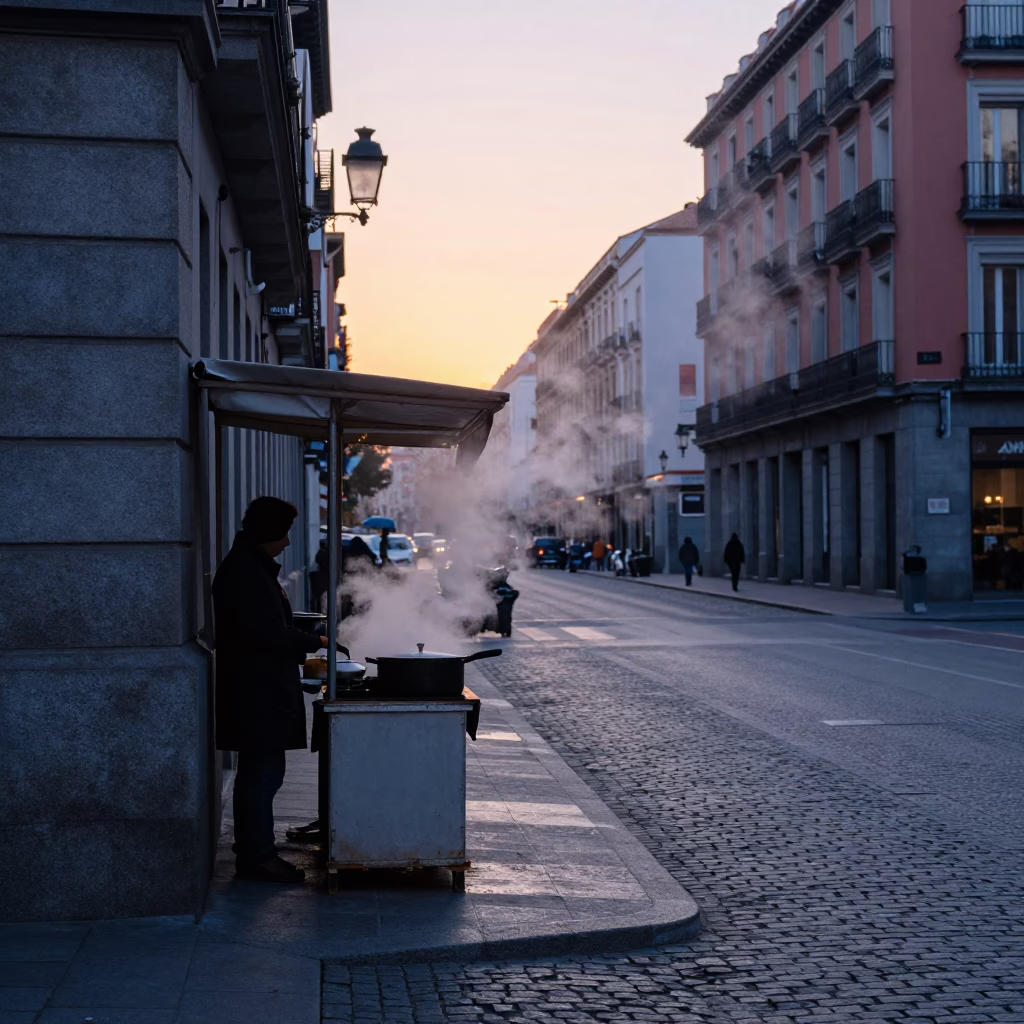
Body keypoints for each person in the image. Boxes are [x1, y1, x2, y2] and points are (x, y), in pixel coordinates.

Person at [213, 496, 328, 883]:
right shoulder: (246, 572)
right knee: (262, 775)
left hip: (257, 688)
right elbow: (266, 633)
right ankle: (257, 857)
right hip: (255, 691)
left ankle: (255, 850)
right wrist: (315, 643)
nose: (288, 543)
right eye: (285, 534)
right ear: (269, 532)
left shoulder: (250, 566)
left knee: (262, 773)